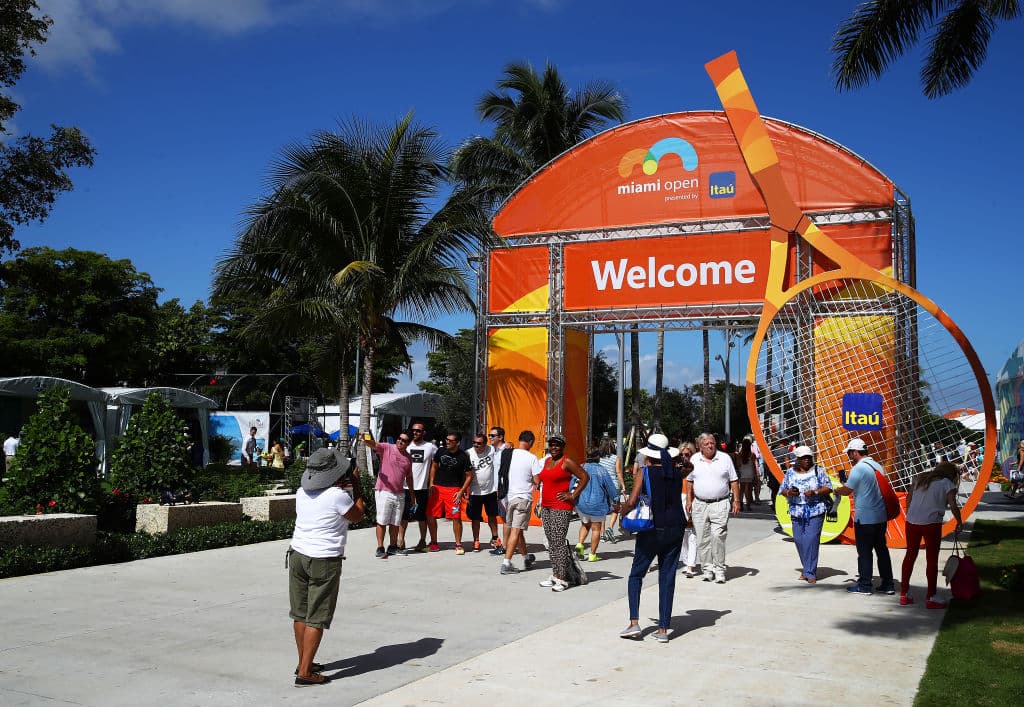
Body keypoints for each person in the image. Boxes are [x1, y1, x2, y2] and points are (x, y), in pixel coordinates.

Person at [287, 447, 364, 687]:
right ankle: (306, 674)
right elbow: (358, 515)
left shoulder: (301, 492)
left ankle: (303, 663)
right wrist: (358, 486)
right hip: (324, 559)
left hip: (297, 554)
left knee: (300, 613)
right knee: (316, 617)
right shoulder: (337, 496)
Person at [619, 433, 685, 642]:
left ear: (648, 455)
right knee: (667, 576)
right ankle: (663, 629)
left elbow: (632, 501)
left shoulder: (645, 473)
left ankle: (634, 623)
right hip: (676, 526)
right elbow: (689, 467)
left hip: (653, 528)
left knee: (637, 574)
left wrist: (622, 514)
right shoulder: (677, 472)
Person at [833, 438, 895, 595]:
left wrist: (835, 490)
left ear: (855, 452)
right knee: (882, 551)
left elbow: (847, 490)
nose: (848, 456)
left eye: (849, 453)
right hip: (880, 517)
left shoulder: (858, 468)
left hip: (865, 518)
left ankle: (865, 585)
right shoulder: (877, 466)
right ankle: (888, 584)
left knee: (865, 553)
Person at [900, 461, 963, 608]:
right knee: (932, 559)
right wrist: (959, 522)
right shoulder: (947, 483)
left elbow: (908, 499)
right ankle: (931, 596)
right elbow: (953, 505)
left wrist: (911, 513)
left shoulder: (919, 478)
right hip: (932, 523)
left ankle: (904, 594)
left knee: (910, 555)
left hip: (912, 522)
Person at [534, 434, 589, 592]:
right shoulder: (547, 461)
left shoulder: (567, 461)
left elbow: (585, 477)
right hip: (546, 506)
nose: (554, 447)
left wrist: (572, 494)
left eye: (557, 445)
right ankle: (556, 574)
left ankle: (564, 578)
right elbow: (543, 479)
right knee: (551, 542)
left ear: (563, 446)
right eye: (551, 445)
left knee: (558, 542)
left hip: (561, 507)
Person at [686, 432, 741, 583]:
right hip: (699, 504)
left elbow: (734, 480)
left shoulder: (725, 458)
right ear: (700, 446)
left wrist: (736, 500)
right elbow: (689, 481)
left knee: (718, 536)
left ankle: (719, 569)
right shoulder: (694, 459)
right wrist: (689, 501)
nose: (710, 446)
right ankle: (707, 569)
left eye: (712, 443)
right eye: (706, 444)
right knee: (702, 539)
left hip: (720, 503)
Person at [779, 446, 833, 584]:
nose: (807, 460)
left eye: (809, 457)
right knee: (799, 540)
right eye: (804, 458)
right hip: (796, 512)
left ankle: (810, 572)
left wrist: (815, 492)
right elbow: (783, 490)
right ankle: (807, 568)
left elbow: (828, 487)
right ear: (797, 460)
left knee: (811, 540)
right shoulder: (790, 473)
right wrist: (790, 493)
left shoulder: (818, 471)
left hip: (815, 511)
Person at [364, 432, 415, 559]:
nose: (400, 441)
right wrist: (365, 436)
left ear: (408, 443)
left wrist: (413, 496)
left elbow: (409, 478)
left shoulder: (408, 458)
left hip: (400, 493)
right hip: (384, 491)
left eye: (404, 440)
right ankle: (380, 548)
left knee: (395, 522)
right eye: (399, 438)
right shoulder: (387, 448)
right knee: (382, 521)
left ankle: (392, 547)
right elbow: (372, 444)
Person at [499, 430, 540, 575]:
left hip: (510, 497)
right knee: (516, 531)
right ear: (530, 442)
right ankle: (506, 563)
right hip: (523, 498)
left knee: (517, 529)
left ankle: (526, 557)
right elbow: (537, 480)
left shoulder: (509, 453)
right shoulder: (532, 458)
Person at [428, 432, 472, 553]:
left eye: (450, 441)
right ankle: (434, 542)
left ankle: (458, 544)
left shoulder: (463, 456)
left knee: (456, 517)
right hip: (437, 488)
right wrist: (431, 483)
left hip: (453, 490)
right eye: (446, 439)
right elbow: (434, 466)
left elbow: (469, 476)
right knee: (431, 515)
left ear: (457, 443)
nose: (447, 442)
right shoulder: (441, 451)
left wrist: (461, 491)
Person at [574, 446, 619, 562]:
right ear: (598, 457)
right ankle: (592, 555)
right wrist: (616, 499)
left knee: (585, 525)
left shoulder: (581, 467)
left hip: (582, 503)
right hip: (597, 504)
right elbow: (610, 487)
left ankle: (579, 545)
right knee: (596, 529)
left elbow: (572, 483)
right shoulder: (602, 470)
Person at [400, 423, 436, 552]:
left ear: (423, 432)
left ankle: (422, 540)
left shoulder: (430, 447)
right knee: (403, 516)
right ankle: (400, 540)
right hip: (404, 487)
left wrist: (432, 482)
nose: (415, 433)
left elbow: (435, 464)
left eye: (418, 431)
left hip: (421, 487)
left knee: (421, 516)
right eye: (413, 430)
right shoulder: (406, 445)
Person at [467, 434, 502, 552]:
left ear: (485, 444)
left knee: (492, 516)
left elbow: (503, 446)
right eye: (474, 443)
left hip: (490, 490)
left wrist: (508, 444)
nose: (476, 445)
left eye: (479, 443)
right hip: (474, 492)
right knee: (475, 518)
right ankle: (476, 540)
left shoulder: (491, 450)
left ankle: (495, 538)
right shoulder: (468, 453)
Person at [597, 437, 626, 543]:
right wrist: (623, 484)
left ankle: (602, 534)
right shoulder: (615, 458)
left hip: (601, 484)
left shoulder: (598, 458)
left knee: (603, 509)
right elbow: (618, 472)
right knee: (616, 508)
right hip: (613, 484)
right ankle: (610, 528)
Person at [677, 442, 699, 577]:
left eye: (687, 454)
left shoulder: (695, 467)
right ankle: (686, 562)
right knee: (683, 534)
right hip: (679, 499)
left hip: (693, 500)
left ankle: (690, 565)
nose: (684, 457)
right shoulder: (677, 468)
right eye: (682, 454)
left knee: (692, 534)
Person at [734, 437, 757, 511]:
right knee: (749, 490)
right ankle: (748, 504)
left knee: (742, 489)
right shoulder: (752, 455)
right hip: (750, 473)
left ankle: (740, 503)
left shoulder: (739, 455)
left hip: (742, 473)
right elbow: (754, 466)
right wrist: (755, 475)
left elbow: (738, 465)